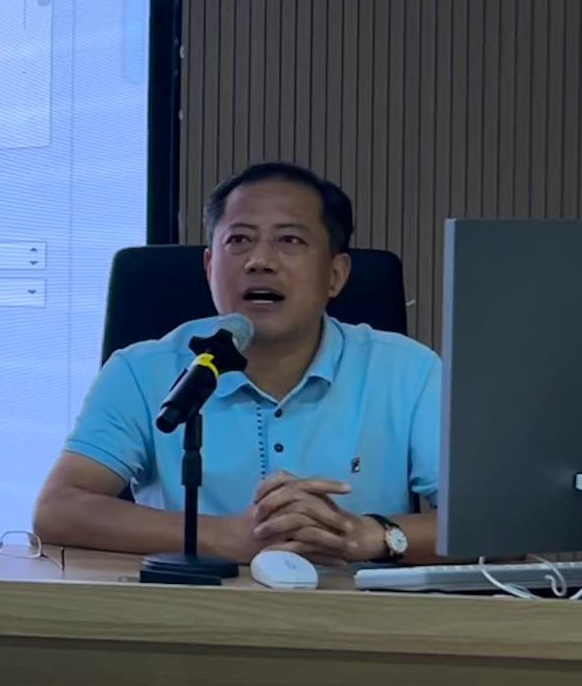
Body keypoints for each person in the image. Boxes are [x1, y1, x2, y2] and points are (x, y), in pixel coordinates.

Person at [33, 163, 442, 565]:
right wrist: (224, 537)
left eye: (289, 240)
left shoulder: (408, 371)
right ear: (210, 267)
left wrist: (370, 535)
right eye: (239, 240)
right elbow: (58, 509)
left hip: (355, 606)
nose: (259, 261)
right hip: (190, 606)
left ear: (335, 274)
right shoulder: (142, 371)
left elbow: (481, 523)